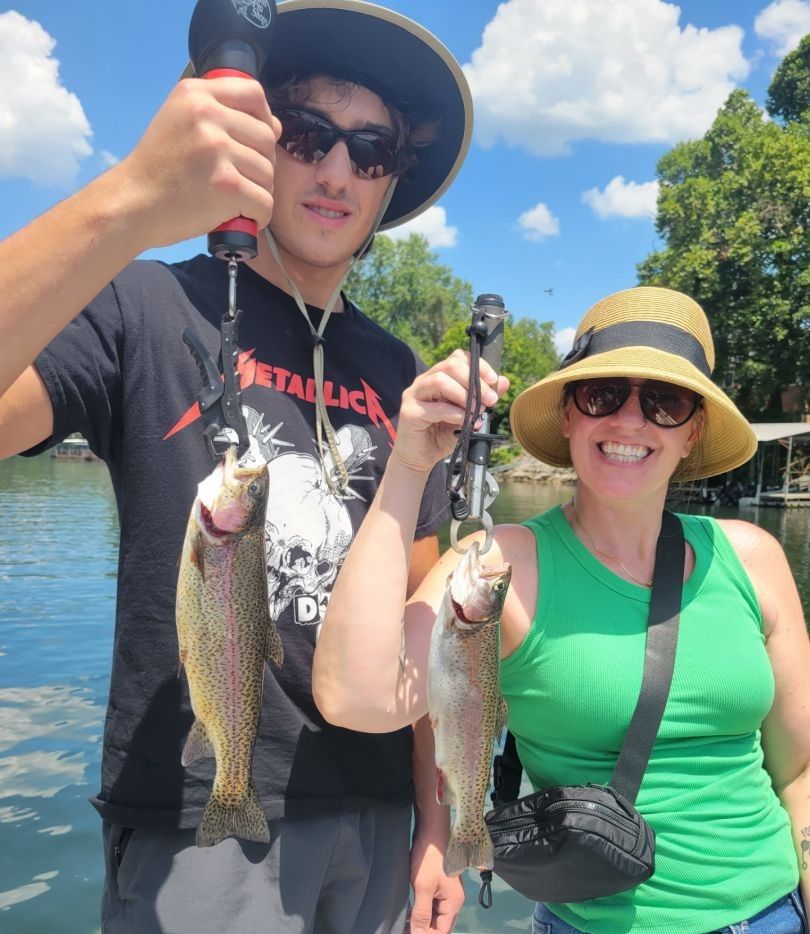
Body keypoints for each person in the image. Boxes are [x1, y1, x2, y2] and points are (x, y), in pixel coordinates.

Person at [0, 3, 474, 932]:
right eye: (307, 133)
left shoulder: (400, 370)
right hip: (199, 824)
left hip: (377, 817)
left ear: (389, 185)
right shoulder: (144, 303)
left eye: (371, 149)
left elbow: (426, 620)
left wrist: (437, 819)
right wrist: (129, 198)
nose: (337, 169)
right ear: (259, 142)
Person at [314, 286, 810, 933]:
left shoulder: (753, 557)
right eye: (603, 394)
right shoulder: (502, 566)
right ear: (570, 417)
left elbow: (798, 770)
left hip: (776, 913)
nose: (630, 420)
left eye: (664, 401)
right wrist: (409, 466)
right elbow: (355, 695)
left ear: (692, 434)